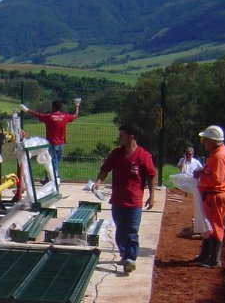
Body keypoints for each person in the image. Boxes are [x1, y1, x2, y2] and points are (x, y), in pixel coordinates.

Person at [93, 122, 157, 275]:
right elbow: (105, 169)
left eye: (122, 135)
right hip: (118, 200)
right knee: (120, 230)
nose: (119, 138)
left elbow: (151, 176)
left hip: (134, 201)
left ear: (131, 137)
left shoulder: (143, 156)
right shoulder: (116, 154)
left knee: (132, 230)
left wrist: (152, 196)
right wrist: (98, 182)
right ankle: (124, 253)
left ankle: (131, 258)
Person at [193, 125, 225, 268]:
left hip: (215, 194)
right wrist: (203, 170)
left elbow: (217, 179)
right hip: (214, 194)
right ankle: (206, 255)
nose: (204, 143)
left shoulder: (219, 156)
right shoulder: (219, 153)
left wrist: (202, 175)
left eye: (207, 140)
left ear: (214, 141)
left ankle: (214, 259)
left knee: (215, 225)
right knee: (210, 224)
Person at [20, 99, 80, 184]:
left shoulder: (49, 117)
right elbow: (75, 115)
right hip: (61, 143)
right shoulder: (64, 117)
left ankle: (55, 180)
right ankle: (48, 179)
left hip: (52, 143)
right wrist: (77, 106)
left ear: (53, 107)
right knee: (54, 161)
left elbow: (37, 115)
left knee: (52, 161)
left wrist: (26, 110)